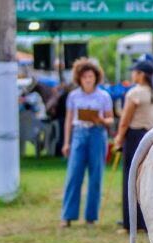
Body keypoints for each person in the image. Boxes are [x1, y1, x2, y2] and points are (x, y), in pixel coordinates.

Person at [60, 59, 114, 228]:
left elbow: (111, 118)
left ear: (96, 78)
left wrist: (102, 120)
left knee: (95, 176)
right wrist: (66, 142)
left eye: (91, 76)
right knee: (73, 175)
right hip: (79, 132)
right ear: (79, 79)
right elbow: (69, 119)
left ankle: (91, 217)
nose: (88, 80)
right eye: (85, 77)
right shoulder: (73, 96)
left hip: (97, 133)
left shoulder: (104, 96)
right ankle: (67, 216)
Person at [115, 59, 153, 231]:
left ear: (141, 75)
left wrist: (119, 137)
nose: (132, 75)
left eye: (134, 72)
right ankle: (144, 221)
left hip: (134, 136)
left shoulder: (134, 93)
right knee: (146, 180)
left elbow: (125, 120)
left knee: (130, 179)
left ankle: (130, 223)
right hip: (150, 136)